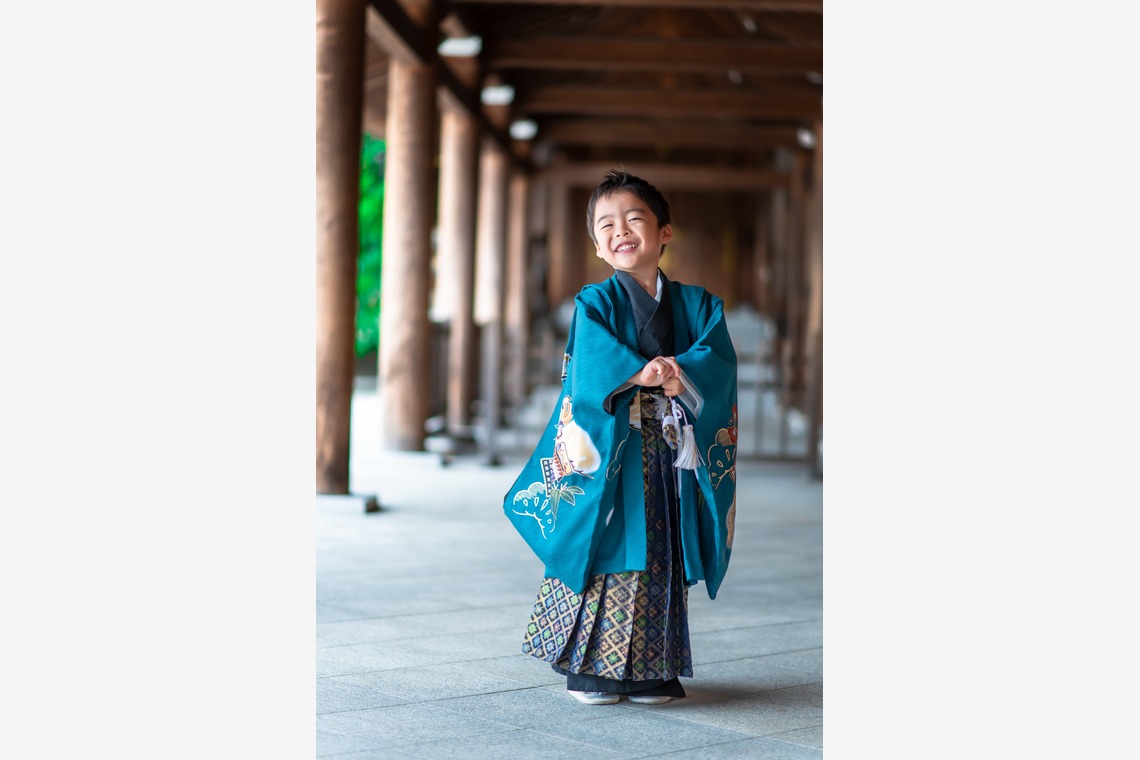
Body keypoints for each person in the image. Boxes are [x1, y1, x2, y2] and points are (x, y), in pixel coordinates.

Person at [504, 169, 739, 705]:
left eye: (635, 219)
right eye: (606, 224)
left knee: (661, 549)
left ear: (664, 233)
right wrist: (636, 373)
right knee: (605, 544)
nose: (621, 231)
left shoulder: (699, 304)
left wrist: (678, 374)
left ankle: (653, 670)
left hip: (669, 454)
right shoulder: (595, 303)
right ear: (596, 244)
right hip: (612, 452)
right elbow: (589, 364)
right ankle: (591, 671)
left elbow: (717, 358)